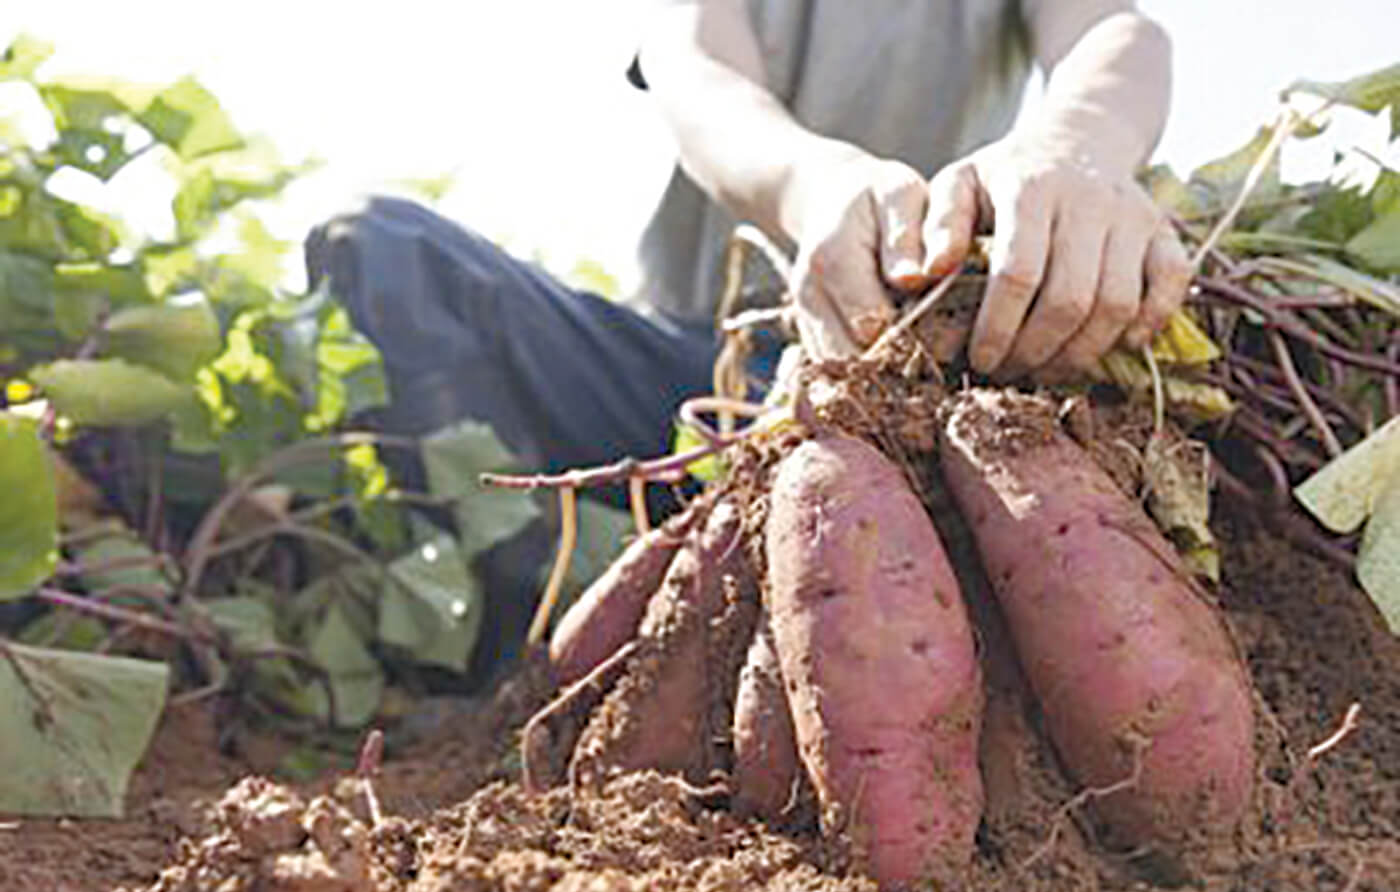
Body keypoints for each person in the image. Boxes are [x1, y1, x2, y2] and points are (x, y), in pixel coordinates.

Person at [305, 0, 1191, 679]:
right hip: (700, 367)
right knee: (379, 247)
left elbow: (1114, 33)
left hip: (907, 378)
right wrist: (819, 187)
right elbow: (696, 73)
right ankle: (519, 656)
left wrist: (1076, 148)